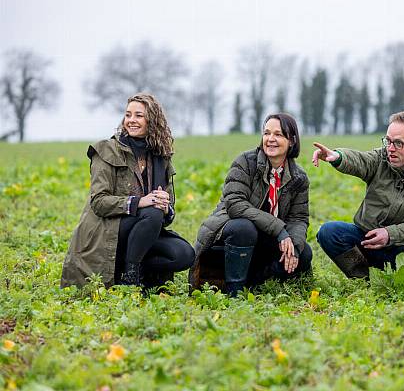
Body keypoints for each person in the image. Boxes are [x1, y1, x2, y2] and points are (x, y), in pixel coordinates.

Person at [61, 93, 195, 289]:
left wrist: (166, 207)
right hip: (107, 230)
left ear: (153, 120)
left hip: (144, 232)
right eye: (128, 115)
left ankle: (133, 268)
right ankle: (131, 277)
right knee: (151, 212)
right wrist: (140, 201)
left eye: (139, 115)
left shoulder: (160, 157)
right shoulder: (107, 150)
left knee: (184, 254)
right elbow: (99, 202)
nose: (131, 120)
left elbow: (166, 216)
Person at [312, 110, 404, 280]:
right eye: (388, 141)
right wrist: (338, 157)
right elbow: (361, 160)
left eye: (398, 143)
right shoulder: (381, 158)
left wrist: (391, 234)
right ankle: (365, 278)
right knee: (329, 232)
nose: (390, 148)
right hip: (369, 239)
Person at [189, 113, 311, 296]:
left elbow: (298, 218)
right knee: (244, 228)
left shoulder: (299, 177)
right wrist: (279, 230)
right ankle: (234, 291)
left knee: (304, 252)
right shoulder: (245, 162)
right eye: (267, 133)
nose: (270, 139)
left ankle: (257, 284)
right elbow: (235, 204)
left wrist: (292, 244)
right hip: (229, 237)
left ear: (292, 140)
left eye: (278, 134)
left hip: (263, 241)